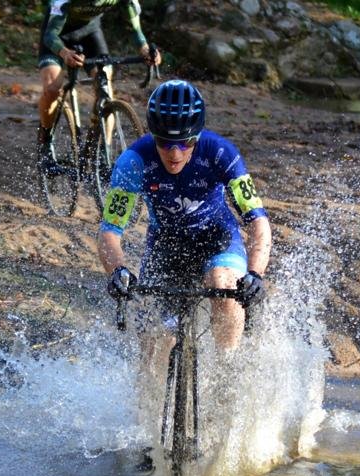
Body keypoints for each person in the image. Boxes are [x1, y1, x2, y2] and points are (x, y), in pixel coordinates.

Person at [97, 79, 271, 352]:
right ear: (153, 135)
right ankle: (152, 395)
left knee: (223, 285)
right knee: (152, 340)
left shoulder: (221, 153)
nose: (175, 153)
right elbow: (110, 231)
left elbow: (258, 222)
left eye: (185, 142)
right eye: (165, 143)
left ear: (197, 136)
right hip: (166, 245)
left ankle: (228, 372)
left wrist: (255, 274)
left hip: (217, 236)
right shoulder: (133, 162)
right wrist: (117, 271)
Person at [36, 0, 160, 171]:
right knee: (52, 88)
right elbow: (50, 36)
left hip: (89, 33)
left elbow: (135, 28)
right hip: (57, 34)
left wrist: (145, 50)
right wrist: (64, 53)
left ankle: (101, 153)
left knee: (105, 90)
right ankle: (45, 141)